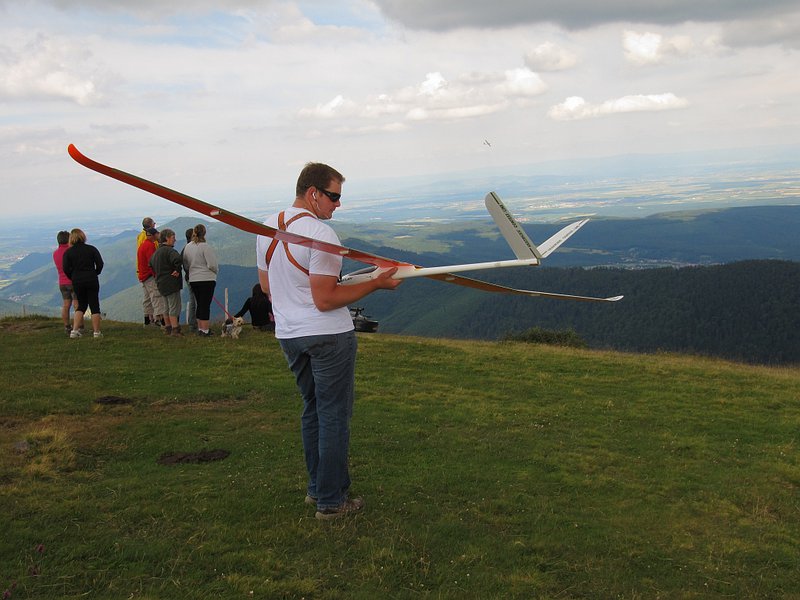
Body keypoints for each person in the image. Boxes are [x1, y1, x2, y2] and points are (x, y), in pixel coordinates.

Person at [256, 162, 401, 520]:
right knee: (334, 415)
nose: (337, 205)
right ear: (313, 194)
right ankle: (332, 502)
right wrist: (375, 283)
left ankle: (317, 489)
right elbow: (325, 300)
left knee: (313, 410)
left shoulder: (265, 228)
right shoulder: (321, 235)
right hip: (328, 337)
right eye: (334, 197)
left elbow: (267, 287)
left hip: (289, 335)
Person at [62, 228, 104, 339]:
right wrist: (96, 273)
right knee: (94, 305)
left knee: (81, 305)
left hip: (77, 281)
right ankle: (96, 332)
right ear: (83, 236)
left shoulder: (68, 252)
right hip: (91, 279)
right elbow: (100, 263)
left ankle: (74, 331)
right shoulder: (91, 249)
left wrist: (73, 277)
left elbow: (65, 268)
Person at [182, 223, 218, 336]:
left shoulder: (188, 247)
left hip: (193, 279)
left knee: (199, 304)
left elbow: (186, 264)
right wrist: (216, 271)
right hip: (206, 279)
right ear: (204, 233)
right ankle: (205, 330)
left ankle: (200, 329)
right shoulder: (205, 247)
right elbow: (212, 264)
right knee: (205, 305)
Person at [149, 228, 184, 336]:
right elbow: (178, 260)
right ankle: (175, 329)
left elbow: (150, 264)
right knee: (174, 306)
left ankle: (167, 327)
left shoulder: (156, 253)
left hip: (160, 283)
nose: (175, 240)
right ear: (167, 238)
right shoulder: (170, 251)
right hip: (171, 283)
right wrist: (177, 270)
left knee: (166, 306)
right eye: (173, 238)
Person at [137, 226, 163, 328]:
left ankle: (147, 321)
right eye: (157, 234)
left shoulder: (143, 245)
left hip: (143, 275)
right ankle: (160, 321)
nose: (158, 235)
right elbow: (152, 262)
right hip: (149, 276)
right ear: (153, 235)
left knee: (147, 298)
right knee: (156, 297)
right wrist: (156, 274)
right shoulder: (150, 246)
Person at [53, 230, 78, 335]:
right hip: (73, 281)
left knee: (66, 304)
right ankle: (79, 326)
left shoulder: (55, 253)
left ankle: (67, 327)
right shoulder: (71, 251)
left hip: (62, 282)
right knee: (77, 304)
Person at [136, 217, 158, 325]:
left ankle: (148, 320)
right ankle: (156, 319)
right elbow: (150, 259)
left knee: (147, 296)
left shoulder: (141, 236)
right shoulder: (148, 241)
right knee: (154, 295)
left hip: (142, 271)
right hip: (148, 272)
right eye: (154, 223)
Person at [181, 228, 197, 331]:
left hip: (189, 277)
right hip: (194, 277)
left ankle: (193, 323)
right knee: (195, 301)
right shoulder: (191, 248)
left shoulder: (185, 249)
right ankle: (194, 324)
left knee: (193, 300)